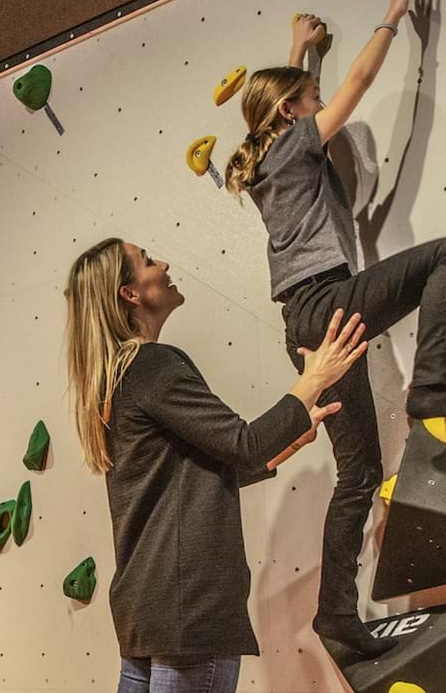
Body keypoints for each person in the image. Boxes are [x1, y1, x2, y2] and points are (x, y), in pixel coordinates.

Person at [221, 0, 446, 659]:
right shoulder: (292, 144)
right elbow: (357, 82)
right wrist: (392, 19)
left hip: (305, 328)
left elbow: (293, 97)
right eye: (309, 102)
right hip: (327, 302)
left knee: (357, 478)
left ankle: (336, 617)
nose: (324, 109)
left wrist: (298, 47)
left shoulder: (266, 160)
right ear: (292, 113)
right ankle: (431, 387)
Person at [64, 238, 371, 693]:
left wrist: (284, 444)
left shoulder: (115, 383)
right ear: (130, 293)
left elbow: (192, 471)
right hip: (189, 610)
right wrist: (315, 378)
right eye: (147, 260)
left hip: (145, 611)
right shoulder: (152, 365)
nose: (163, 262)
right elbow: (243, 443)